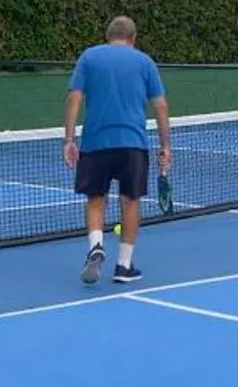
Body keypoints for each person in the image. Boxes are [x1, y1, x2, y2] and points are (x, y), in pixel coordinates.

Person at [64, 15, 173, 285]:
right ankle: (124, 266)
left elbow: (74, 97)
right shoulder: (145, 62)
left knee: (95, 199)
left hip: (95, 144)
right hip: (133, 145)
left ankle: (96, 244)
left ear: (107, 36)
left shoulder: (89, 57)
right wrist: (165, 146)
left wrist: (69, 139)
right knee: (130, 201)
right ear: (133, 39)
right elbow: (160, 105)